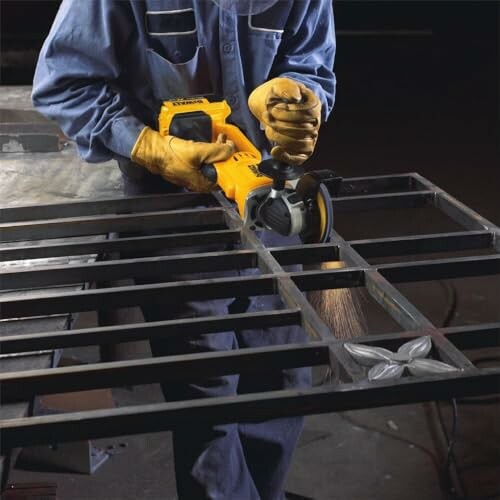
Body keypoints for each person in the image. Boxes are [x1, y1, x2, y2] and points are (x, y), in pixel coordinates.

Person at [33, 1, 336, 498]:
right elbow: (65, 82)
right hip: (170, 210)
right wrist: (148, 145)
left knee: (281, 376)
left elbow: (311, 63)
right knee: (207, 395)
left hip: (268, 197)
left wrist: (298, 99)